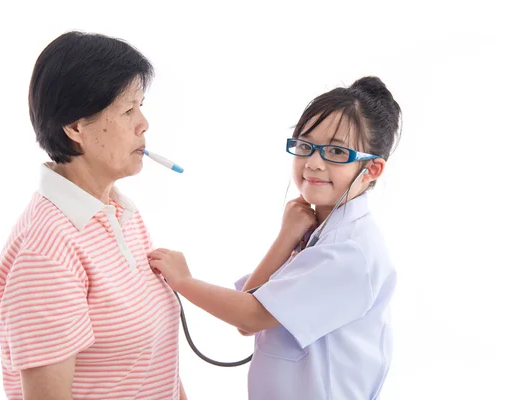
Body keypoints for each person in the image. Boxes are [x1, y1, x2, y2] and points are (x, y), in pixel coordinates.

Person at [148, 76, 401, 399]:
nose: (313, 163)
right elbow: (252, 310)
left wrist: (184, 281)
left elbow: (251, 316)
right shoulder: (320, 231)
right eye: (305, 146)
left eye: (337, 151)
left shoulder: (351, 251)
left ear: (372, 170)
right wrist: (287, 236)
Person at [0, 31, 186, 400]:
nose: (143, 123)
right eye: (128, 110)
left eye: (141, 106)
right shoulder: (45, 254)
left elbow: (155, 364)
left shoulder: (121, 213)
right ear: (75, 127)